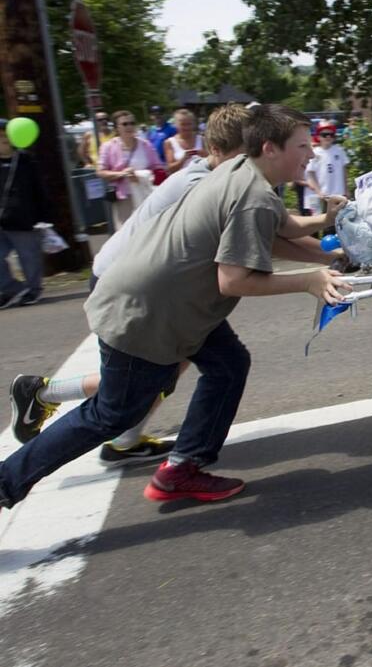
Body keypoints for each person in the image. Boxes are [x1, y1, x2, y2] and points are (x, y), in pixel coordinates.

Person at [0, 105, 352, 510]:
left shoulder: (243, 173)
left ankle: (182, 468)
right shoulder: (251, 193)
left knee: (228, 365)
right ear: (270, 148)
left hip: (170, 304)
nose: (311, 154)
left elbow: (279, 228)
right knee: (110, 415)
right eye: (302, 146)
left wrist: (324, 223)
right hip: (149, 313)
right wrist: (308, 281)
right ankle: (7, 480)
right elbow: (234, 280)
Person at [0, 118, 51, 308]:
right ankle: (10, 288)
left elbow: (39, 189)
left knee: (29, 258)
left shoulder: (25, 159)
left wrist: (44, 217)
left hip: (23, 218)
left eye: (5, 134)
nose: (3, 139)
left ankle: (32, 290)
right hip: (1, 220)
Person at [96, 109, 163, 228]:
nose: (129, 126)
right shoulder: (108, 147)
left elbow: (158, 167)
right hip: (124, 197)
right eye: (125, 124)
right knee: (126, 233)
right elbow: (100, 171)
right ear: (117, 128)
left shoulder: (145, 145)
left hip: (146, 193)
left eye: (132, 123)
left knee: (150, 229)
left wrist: (143, 175)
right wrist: (122, 174)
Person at [304, 121, 350, 216]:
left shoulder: (339, 150)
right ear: (319, 137)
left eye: (331, 134)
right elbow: (311, 175)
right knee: (320, 220)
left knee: (337, 220)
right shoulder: (315, 153)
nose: (328, 137)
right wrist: (318, 192)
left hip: (338, 193)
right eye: (325, 134)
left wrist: (346, 189)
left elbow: (344, 171)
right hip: (322, 195)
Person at [161, 108, 203, 174]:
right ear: (176, 125)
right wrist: (183, 159)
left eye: (189, 124)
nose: (186, 127)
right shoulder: (169, 143)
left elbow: (214, 161)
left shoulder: (202, 139)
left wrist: (205, 155)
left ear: (194, 124)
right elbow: (170, 169)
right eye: (183, 124)